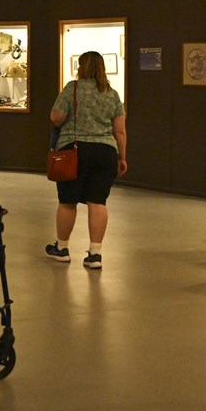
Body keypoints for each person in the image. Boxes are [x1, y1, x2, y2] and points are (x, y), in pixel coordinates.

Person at [46, 51, 127, 270]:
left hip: (74, 151)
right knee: (98, 202)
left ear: (81, 67)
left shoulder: (72, 88)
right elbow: (120, 131)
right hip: (105, 152)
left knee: (68, 200)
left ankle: (62, 248)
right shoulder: (112, 94)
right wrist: (122, 157)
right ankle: (95, 254)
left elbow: (56, 116)